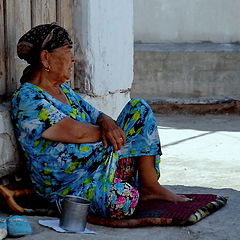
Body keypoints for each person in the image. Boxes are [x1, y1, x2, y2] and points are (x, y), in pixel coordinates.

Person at [11, 23, 188, 219]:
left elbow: (99, 116)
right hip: (71, 185)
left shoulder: (64, 90)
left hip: (99, 164)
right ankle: (119, 186)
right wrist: (114, 134)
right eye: (68, 51)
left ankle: (150, 187)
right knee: (123, 200)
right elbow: (75, 132)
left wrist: (109, 125)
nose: (73, 58)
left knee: (140, 109)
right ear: (45, 57)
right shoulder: (27, 98)